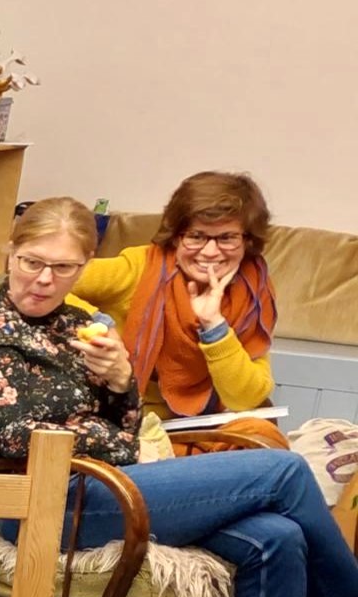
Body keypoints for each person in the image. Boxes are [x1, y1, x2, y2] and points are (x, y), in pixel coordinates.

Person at [0, 197, 358, 597]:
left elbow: (114, 422)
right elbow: (20, 437)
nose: (44, 279)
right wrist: (122, 442)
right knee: (284, 470)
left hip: (108, 487)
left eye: (63, 268)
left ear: (83, 268)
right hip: (45, 503)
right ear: (9, 254)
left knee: (274, 535)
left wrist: (120, 384)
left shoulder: (81, 323)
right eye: (31, 262)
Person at [70, 171, 280, 429]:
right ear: (175, 236)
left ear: (248, 241)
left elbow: (246, 399)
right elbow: (53, 281)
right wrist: (101, 324)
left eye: (227, 237)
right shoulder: (140, 267)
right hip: (131, 421)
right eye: (196, 236)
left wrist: (214, 327)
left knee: (264, 435)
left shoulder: (254, 289)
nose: (210, 252)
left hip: (207, 422)